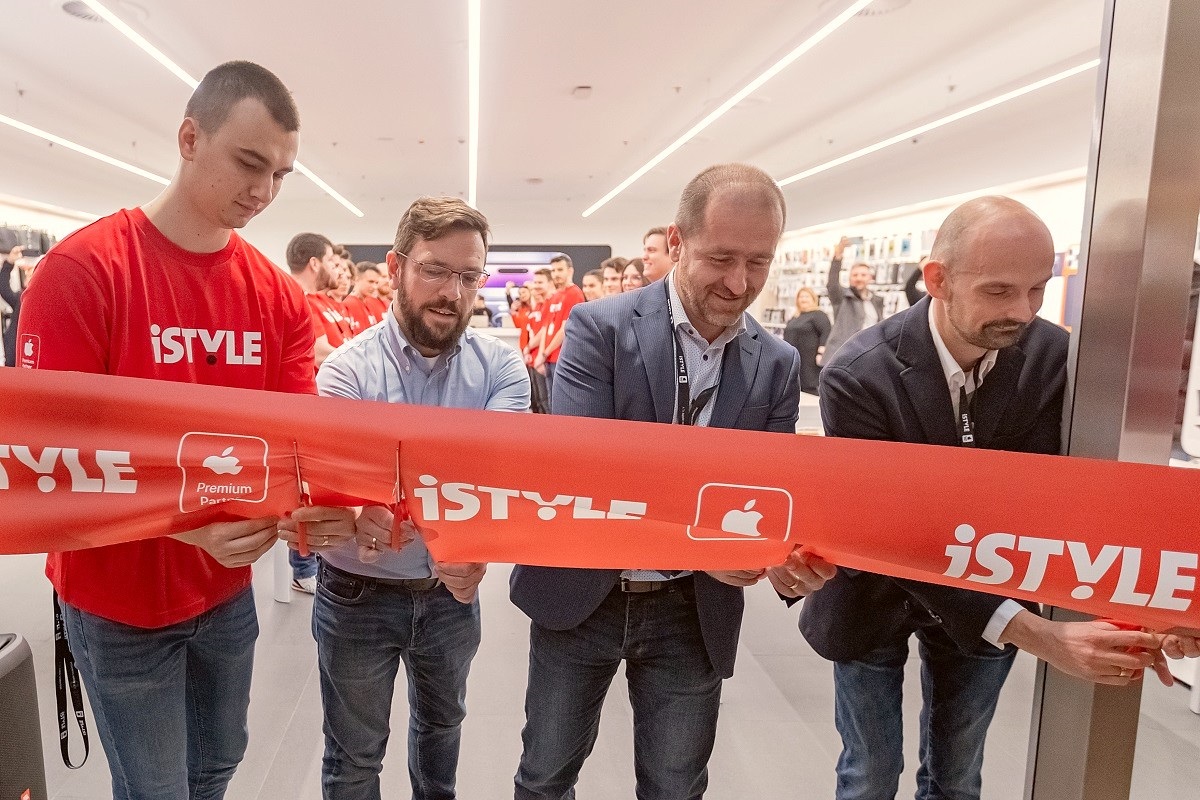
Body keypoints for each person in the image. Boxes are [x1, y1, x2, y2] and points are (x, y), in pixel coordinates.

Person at [15, 60, 355, 800]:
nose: (264, 192)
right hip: (114, 597)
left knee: (217, 766)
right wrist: (180, 525)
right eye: (249, 163)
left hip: (225, 592)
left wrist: (318, 506)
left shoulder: (275, 298)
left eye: (281, 175)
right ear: (189, 137)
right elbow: (48, 462)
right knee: (156, 788)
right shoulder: (84, 272)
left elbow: (290, 447)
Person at [802, 196, 1176, 800]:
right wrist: (1041, 635)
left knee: (957, 776)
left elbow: (1053, 502)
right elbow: (892, 532)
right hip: (875, 594)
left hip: (991, 587)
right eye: (1000, 291)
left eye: (1037, 289)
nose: (1023, 312)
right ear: (937, 280)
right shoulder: (858, 374)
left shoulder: (1055, 359)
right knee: (869, 774)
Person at [510, 163, 836, 800]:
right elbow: (591, 475)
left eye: (758, 262)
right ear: (677, 242)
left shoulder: (776, 364)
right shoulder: (598, 328)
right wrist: (706, 546)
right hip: (581, 596)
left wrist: (785, 560)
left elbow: (765, 498)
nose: (738, 283)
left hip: (691, 613)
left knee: (676, 785)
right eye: (720, 258)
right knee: (545, 776)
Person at [314, 196, 529, 800]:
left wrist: (471, 536)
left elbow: (495, 478)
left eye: (468, 276)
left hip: (449, 596)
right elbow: (342, 483)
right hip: (356, 594)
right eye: (435, 269)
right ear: (397, 265)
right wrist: (358, 506)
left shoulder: (501, 371)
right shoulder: (346, 373)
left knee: (442, 735)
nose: (452, 292)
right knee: (354, 758)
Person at [287, 231, 352, 367]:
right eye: (330, 261)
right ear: (315, 263)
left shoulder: (313, 299)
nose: (337, 271)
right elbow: (320, 353)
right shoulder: (298, 299)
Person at [531, 254, 584, 400]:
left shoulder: (575, 294)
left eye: (560, 270)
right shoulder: (554, 297)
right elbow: (546, 327)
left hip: (561, 358)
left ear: (570, 271)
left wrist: (544, 354)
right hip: (548, 358)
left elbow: (565, 329)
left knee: (560, 402)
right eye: (553, 270)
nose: (556, 274)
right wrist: (542, 355)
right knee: (548, 401)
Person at [823, 236, 884, 363]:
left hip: (868, 356)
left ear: (870, 278)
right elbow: (832, 284)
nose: (859, 278)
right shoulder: (842, 297)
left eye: (863, 275)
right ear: (850, 278)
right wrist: (838, 256)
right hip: (842, 357)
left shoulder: (876, 300)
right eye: (855, 275)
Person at [783, 286, 830, 394]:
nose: (803, 299)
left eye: (807, 296)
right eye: (801, 297)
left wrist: (821, 353)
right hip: (793, 358)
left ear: (813, 299)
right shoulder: (795, 317)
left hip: (810, 360)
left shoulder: (818, 315)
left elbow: (826, 332)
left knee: (808, 387)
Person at [523, 269, 553, 414]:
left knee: (546, 401)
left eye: (540, 283)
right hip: (534, 358)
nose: (536, 287)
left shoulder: (549, 305)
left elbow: (545, 332)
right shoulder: (537, 308)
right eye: (535, 283)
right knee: (539, 400)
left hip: (543, 358)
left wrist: (533, 350)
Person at [1, 245, 33, 366]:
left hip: (25, 362)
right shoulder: (21, 299)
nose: (27, 274)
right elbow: (4, 287)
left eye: (31, 272)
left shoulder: (33, 302)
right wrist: (9, 262)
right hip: (13, 361)